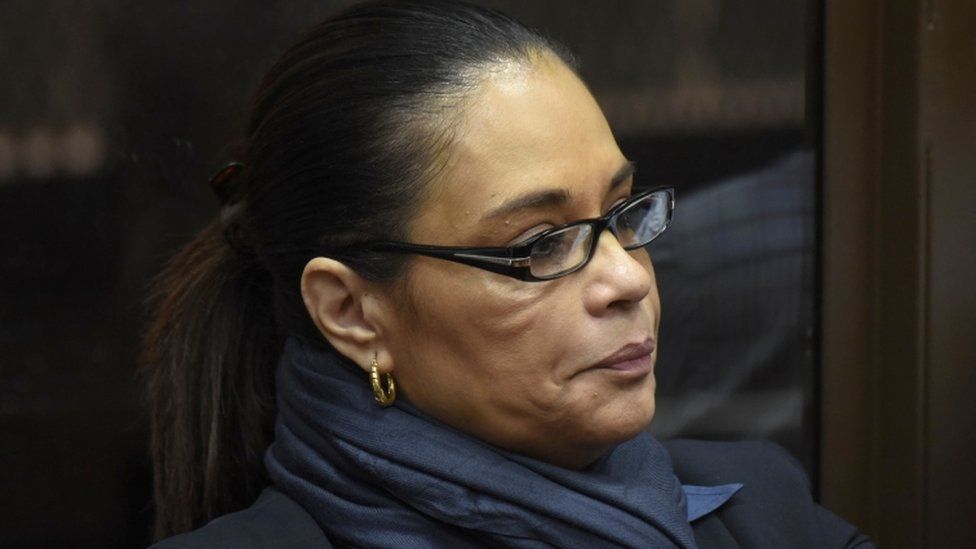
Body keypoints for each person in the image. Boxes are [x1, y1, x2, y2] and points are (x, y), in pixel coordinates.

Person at [143, 1, 873, 547]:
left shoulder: (762, 515)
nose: (627, 279)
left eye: (623, 213)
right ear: (353, 312)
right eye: (540, 244)